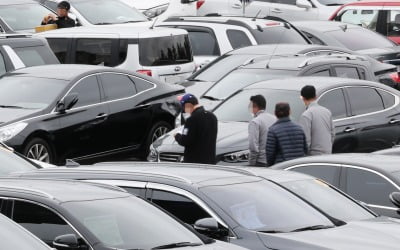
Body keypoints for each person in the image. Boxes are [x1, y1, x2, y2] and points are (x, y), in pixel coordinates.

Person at [175, 94, 218, 164]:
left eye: (183, 107)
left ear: (188, 105)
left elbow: (185, 141)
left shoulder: (192, 119)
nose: (184, 110)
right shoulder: (212, 117)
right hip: (210, 162)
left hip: (195, 163)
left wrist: (177, 136)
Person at [299, 85, 335, 155]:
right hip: (328, 152)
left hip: (314, 155)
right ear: (315, 96)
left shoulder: (306, 115)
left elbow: (306, 141)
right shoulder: (327, 111)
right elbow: (333, 133)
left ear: (303, 98)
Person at [248, 95, 276, 167]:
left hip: (261, 161)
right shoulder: (274, 119)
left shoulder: (255, 122)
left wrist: (252, 163)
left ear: (254, 106)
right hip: (275, 160)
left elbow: (253, 146)